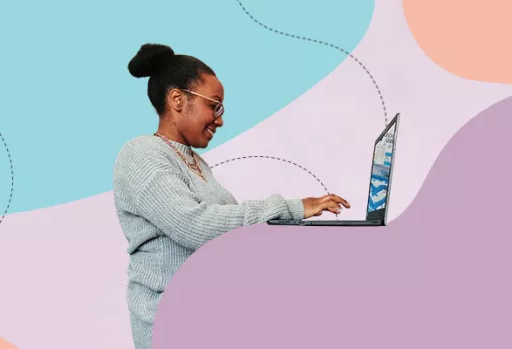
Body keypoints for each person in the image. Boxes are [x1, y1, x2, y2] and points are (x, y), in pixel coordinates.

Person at [112, 43, 350, 349]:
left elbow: (231, 236)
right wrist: (292, 208)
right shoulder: (141, 155)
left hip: (210, 318)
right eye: (215, 106)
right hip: (173, 325)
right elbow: (194, 226)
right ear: (177, 100)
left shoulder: (197, 164)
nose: (220, 119)